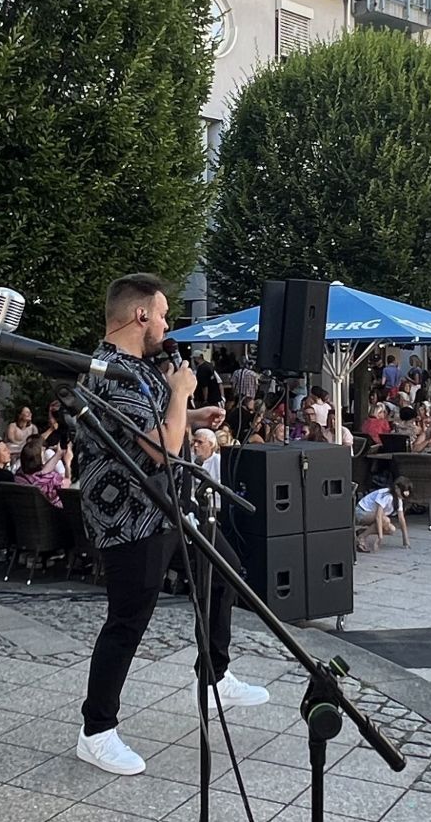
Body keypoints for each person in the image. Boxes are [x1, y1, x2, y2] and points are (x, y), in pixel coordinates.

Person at [76, 274, 267, 778]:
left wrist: (191, 406)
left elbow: (162, 424)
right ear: (140, 315)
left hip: (167, 506)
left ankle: (214, 675)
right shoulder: (110, 372)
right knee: (128, 620)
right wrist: (181, 392)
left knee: (224, 574)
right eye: (162, 314)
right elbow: (161, 448)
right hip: (129, 519)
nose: (166, 323)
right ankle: (96, 730)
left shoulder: (138, 369)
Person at [355, 478, 412, 552]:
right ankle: (361, 537)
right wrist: (380, 536)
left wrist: (405, 539)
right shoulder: (386, 495)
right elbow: (378, 517)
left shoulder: (398, 499)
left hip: (374, 515)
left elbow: (401, 519)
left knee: (391, 529)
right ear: (396, 488)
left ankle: (362, 532)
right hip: (362, 512)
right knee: (385, 520)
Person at [18, 437, 67, 507]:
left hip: (27, 511)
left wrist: (58, 454)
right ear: (39, 459)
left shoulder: (19, 475)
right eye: (43, 453)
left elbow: (41, 472)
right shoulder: (52, 479)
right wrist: (68, 463)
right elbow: (67, 489)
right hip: (52, 513)